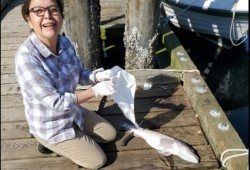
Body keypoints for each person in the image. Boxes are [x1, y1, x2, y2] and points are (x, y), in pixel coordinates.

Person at [15, 0, 117, 169]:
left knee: (110, 135)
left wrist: (97, 76)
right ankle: (45, 142)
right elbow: (56, 103)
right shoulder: (26, 58)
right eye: (38, 11)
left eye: (53, 10)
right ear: (28, 19)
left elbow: (78, 73)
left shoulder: (65, 42)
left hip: (73, 111)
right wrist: (95, 91)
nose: (47, 16)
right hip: (52, 126)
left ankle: (78, 134)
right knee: (97, 161)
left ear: (61, 16)